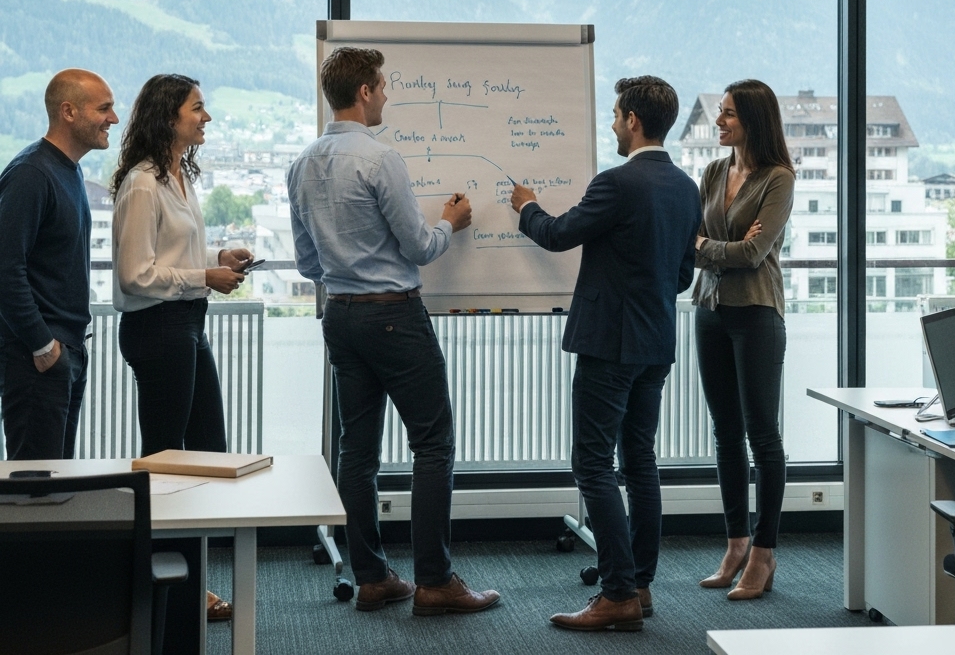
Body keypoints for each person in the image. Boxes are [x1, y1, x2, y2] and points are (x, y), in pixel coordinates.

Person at [287, 46, 499, 617]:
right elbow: (420, 247)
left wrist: (346, 261)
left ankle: (373, 577)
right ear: (363, 92)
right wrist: (449, 223)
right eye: (382, 86)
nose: (386, 96)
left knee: (357, 450)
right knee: (433, 444)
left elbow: (308, 264)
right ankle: (434, 581)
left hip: (342, 317)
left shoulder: (301, 164)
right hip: (394, 316)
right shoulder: (381, 161)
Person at [511, 75, 701, 632]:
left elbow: (557, 234)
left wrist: (527, 207)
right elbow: (683, 275)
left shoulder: (618, 183)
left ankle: (617, 593)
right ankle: (638, 585)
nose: (613, 124)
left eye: (617, 115)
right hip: (656, 343)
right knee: (639, 463)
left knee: (593, 464)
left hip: (609, 345)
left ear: (633, 121)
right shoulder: (687, 188)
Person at [111, 73, 252, 622]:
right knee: (170, 464)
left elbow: (171, 254)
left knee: (205, 452)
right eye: (198, 108)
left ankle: (187, 586)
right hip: (159, 328)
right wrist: (204, 277)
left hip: (186, 324)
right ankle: (167, 593)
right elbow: (135, 275)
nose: (207, 117)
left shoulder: (178, 176)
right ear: (170, 117)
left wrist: (220, 256)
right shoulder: (144, 182)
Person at [692, 79, 795, 601]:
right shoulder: (713, 171)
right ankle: (735, 545)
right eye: (720, 112)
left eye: (729, 114)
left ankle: (764, 552)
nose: (719, 121)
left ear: (752, 120)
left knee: (763, 435)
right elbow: (696, 242)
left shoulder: (778, 178)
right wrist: (717, 247)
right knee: (725, 433)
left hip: (756, 313)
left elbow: (753, 256)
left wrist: (705, 246)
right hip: (709, 310)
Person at [0, 69, 118, 459]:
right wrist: (42, 344)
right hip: (37, 358)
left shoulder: (68, 169)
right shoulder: (31, 174)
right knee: (35, 495)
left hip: (62, 352)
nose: (113, 119)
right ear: (68, 112)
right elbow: (5, 268)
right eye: (104, 108)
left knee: (56, 483)